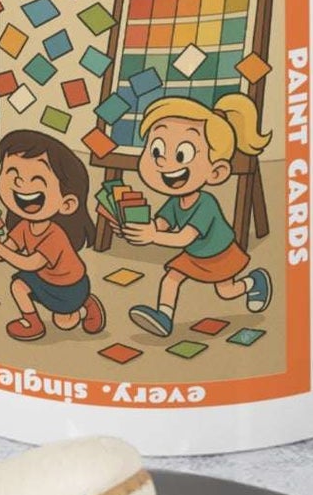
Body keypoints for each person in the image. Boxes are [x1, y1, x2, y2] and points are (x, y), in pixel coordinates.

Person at [115, 94, 273, 338]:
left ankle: (254, 282)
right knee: (171, 278)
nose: (164, 162)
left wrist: (153, 235)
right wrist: (139, 228)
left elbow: (183, 238)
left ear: (216, 172)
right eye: (156, 150)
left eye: (181, 154)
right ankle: (163, 318)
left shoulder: (205, 204)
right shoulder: (176, 200)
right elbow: (163, 222)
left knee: (227, 291)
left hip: (219, 253)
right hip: (195, 254)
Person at [0, 130, 104, 342]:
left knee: (66, 322)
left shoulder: (55, 235)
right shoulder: (24, 226)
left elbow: (30, 263)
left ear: (67, 203)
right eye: (12, 172)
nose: (21, 183)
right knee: (18, 285)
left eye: (36, 178)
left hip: (70, 288)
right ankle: (33, 323)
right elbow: (4, 253)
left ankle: (85, 302)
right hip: (45, 280)